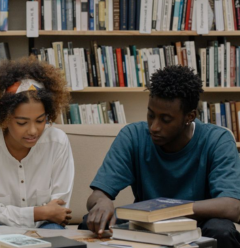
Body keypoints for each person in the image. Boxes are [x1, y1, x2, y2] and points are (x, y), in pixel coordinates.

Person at [78, 65, 240, 247]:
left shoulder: (217, 140)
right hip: (145, 224)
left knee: (222, 230)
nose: (154, 127)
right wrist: (102, 202)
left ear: (190, 116)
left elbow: (231, 206)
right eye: (150, 115)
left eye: (165, 119)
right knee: (89, 221)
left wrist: (165, 210)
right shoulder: (133, 136)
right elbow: (97, 195)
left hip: (198, 223)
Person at [0, 57, 74, 229]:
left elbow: (58, 211)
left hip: (46, 226)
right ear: (4, 118)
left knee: (55, 234)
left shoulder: (57, 142)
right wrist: (38, 213)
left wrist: (44, 214)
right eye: (22, 123)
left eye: (40, 120)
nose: (33, 131)